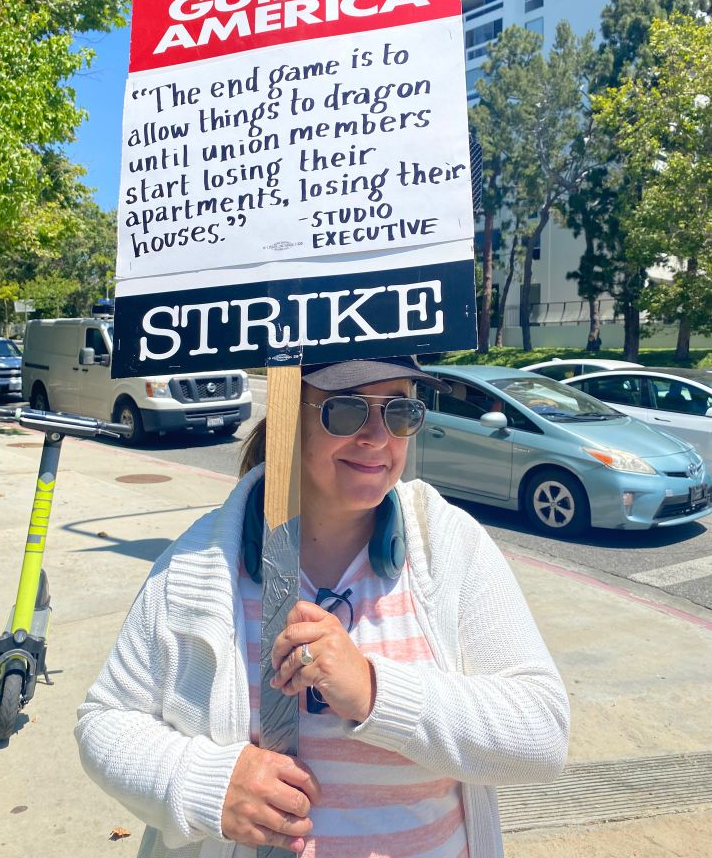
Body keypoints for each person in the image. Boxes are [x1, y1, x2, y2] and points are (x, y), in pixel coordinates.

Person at [75, 356, 569, 858]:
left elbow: (542, 735)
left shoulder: (449, 543)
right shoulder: (199, 561)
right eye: (347, 409)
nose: (378, 437)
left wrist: (378, 692)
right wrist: (204, 784)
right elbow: (106, 721)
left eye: (400, 411)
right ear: (290, 413)